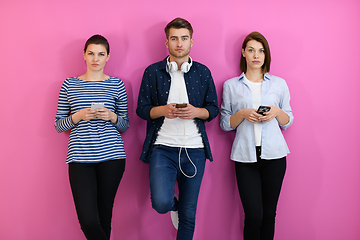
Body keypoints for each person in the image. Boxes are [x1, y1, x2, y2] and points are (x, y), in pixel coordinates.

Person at [136, 18, 218, 240]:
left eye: (184, 38)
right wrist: (162, 110)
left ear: (192, 41)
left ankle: (181, 210)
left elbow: (213, 109)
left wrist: (195, 112)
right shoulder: (152, 72)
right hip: (163, 148)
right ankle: (174, 205)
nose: (179, 43)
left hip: (195, 150)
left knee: (189, 215)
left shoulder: (203, 72)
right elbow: (142, 110)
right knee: (161, 203)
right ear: (166, 42)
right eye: (174, 38)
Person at [220, 31, 294, 240]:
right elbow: (225, 123)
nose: (256, 55)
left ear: (266, 55)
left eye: (261, 51)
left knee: (269, 214)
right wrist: (242, 114)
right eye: (251, 50)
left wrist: (276, 112)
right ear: (243, 53)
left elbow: (288, 121)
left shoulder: (279, 84)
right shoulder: (231, 85)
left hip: (275, 157)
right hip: (245, 158)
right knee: (253, 215)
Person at [54, 34, 129, 240]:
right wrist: (77, 116)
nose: (96, 58)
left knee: (104, 216)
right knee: (88, 220)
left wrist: (112, 116)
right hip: (79, 158)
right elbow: (59, 125)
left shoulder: (117, 84)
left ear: (108, 57)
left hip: (112, 157)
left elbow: (125, 125)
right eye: (91, 53)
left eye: (101, 54)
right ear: (84, 56)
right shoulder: (69, 84)